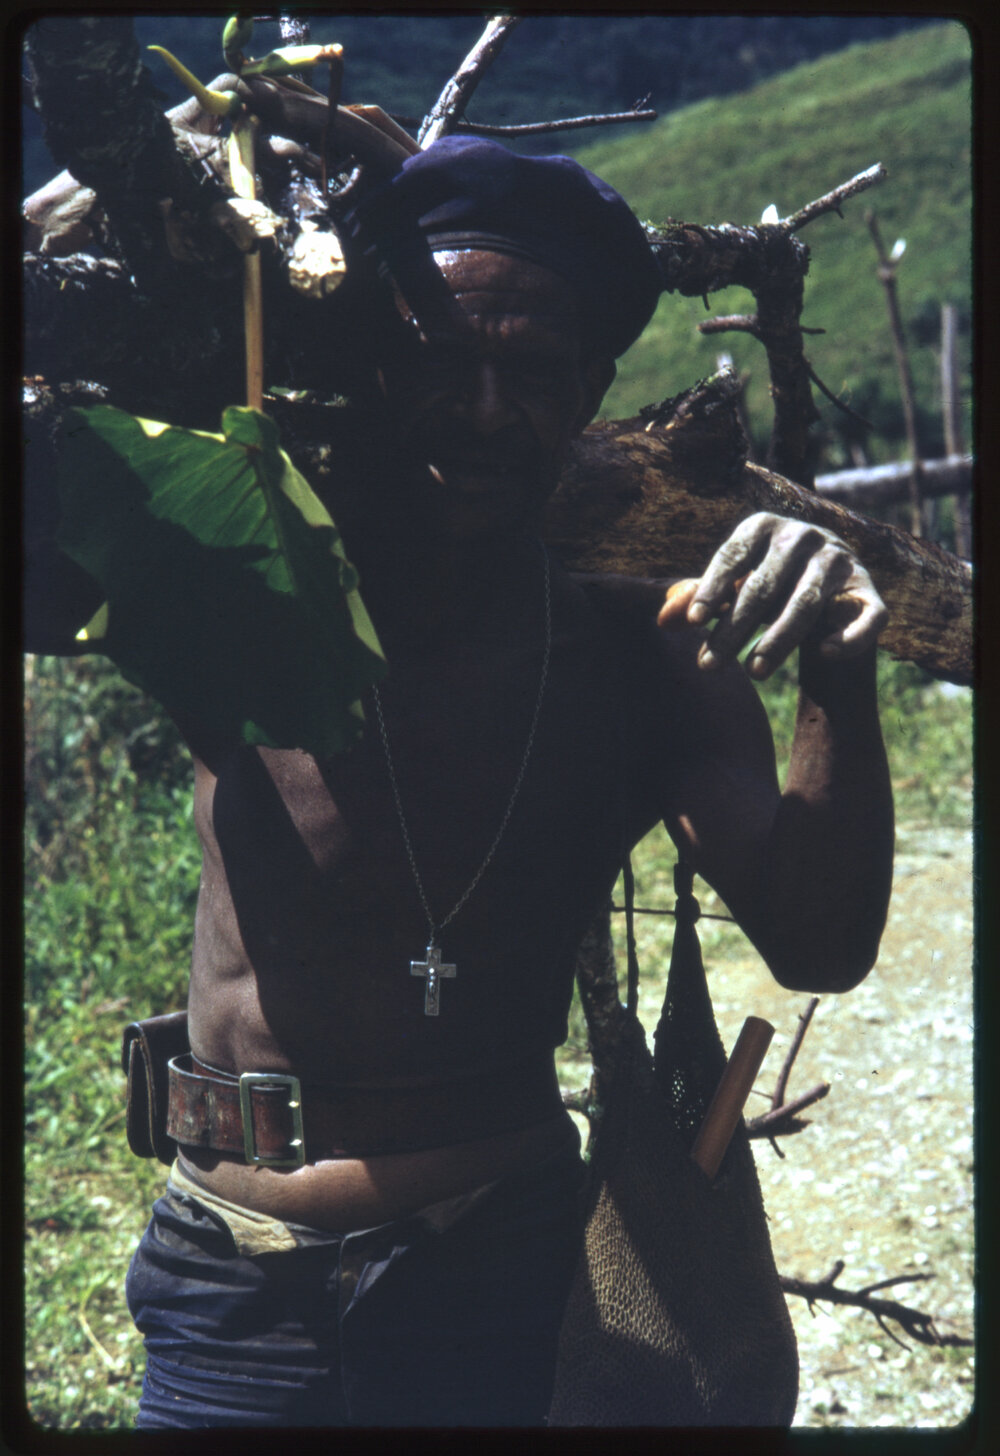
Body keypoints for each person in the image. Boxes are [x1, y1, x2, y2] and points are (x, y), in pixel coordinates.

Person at [26, 137, 894, 1428]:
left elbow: (822, 942)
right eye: (442, 359)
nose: (486, 411)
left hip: (499, 1282)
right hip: (226, 1290)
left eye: (532, 373)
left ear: (591, 389)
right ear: (375, 366)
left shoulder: (641, 653)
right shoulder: (239, 562)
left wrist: (838, 669)